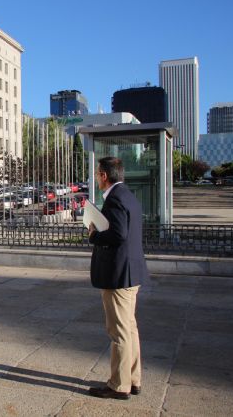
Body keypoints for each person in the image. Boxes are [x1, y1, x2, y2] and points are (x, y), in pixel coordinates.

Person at [88, 156, 148, 400]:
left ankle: (118, 385)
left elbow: (118, 234)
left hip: (118, 275)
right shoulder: (127, 195)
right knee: (129, 329)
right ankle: (133, 379)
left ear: (104, 175)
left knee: (119, 332)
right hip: (131, 272)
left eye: (97, 173)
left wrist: (94, 234)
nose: (96, 177)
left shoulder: (114, 199)